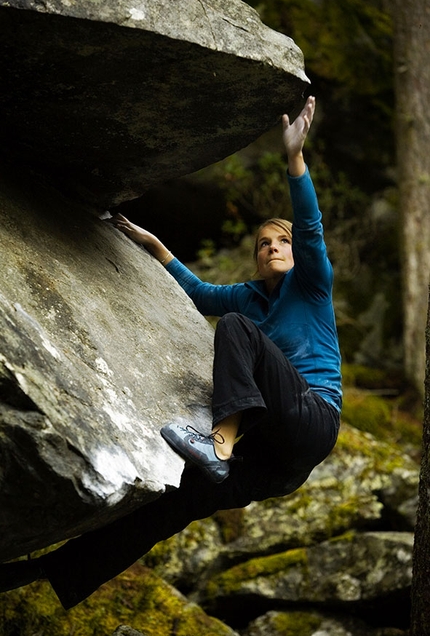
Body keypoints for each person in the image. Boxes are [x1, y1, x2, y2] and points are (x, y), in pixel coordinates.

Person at [0, 96, 341, 608]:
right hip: (275, 462)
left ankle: (218, 443)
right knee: (176, 500)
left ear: (296, 253)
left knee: (235, 329)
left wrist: (294, 160)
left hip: (314, 418)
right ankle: (47, 571)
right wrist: (155, 248)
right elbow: (199, 292)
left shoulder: (312, 285)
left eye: (280, 242)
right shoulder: (249, 297)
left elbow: (310, 230)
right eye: (263, 244)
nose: (271, 248)